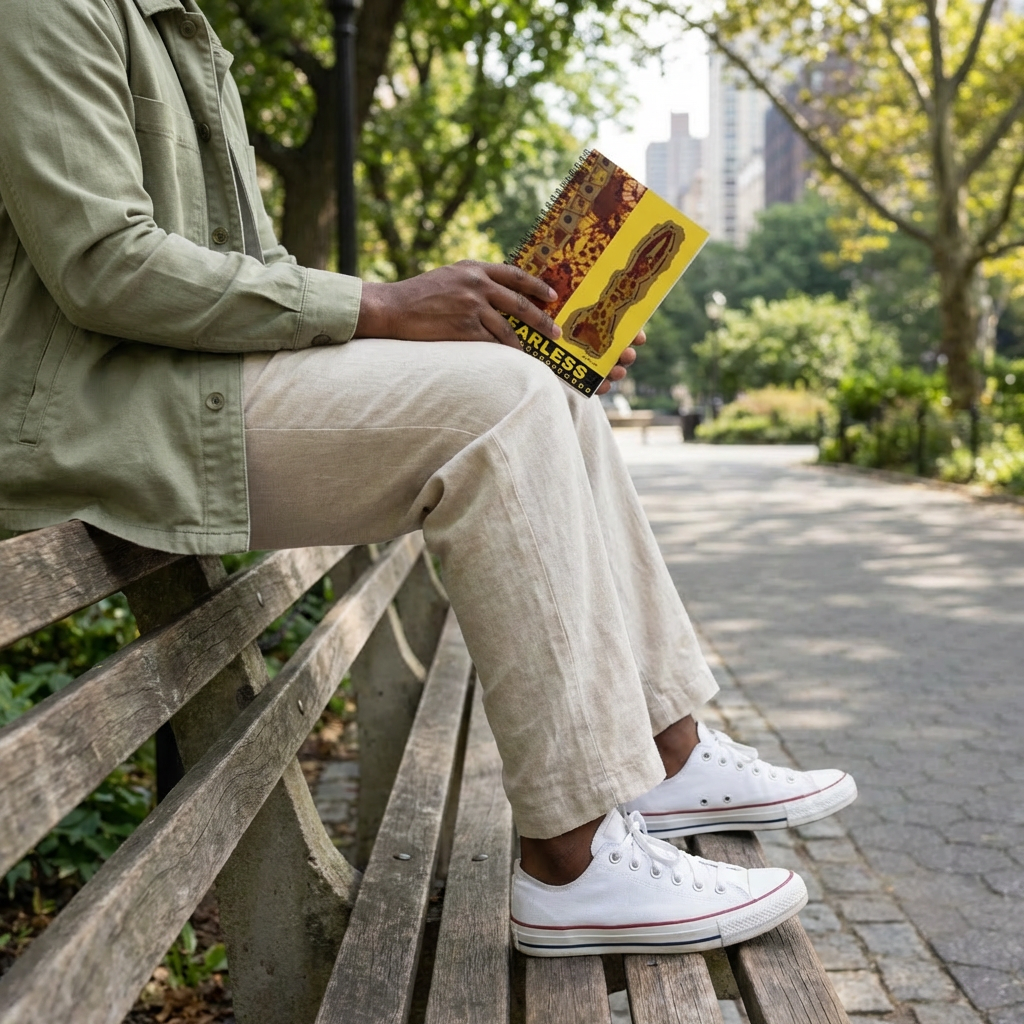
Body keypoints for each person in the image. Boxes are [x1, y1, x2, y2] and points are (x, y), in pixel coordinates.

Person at [0, 0, 856, 957]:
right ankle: (571, 864)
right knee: (499, 407)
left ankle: (669, 754)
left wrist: (476, 319)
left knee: (542, 381)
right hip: (103, 411)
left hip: (192, 381)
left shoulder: (181, 28)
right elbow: (103, 266)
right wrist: (382, 304)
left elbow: (254, 270)